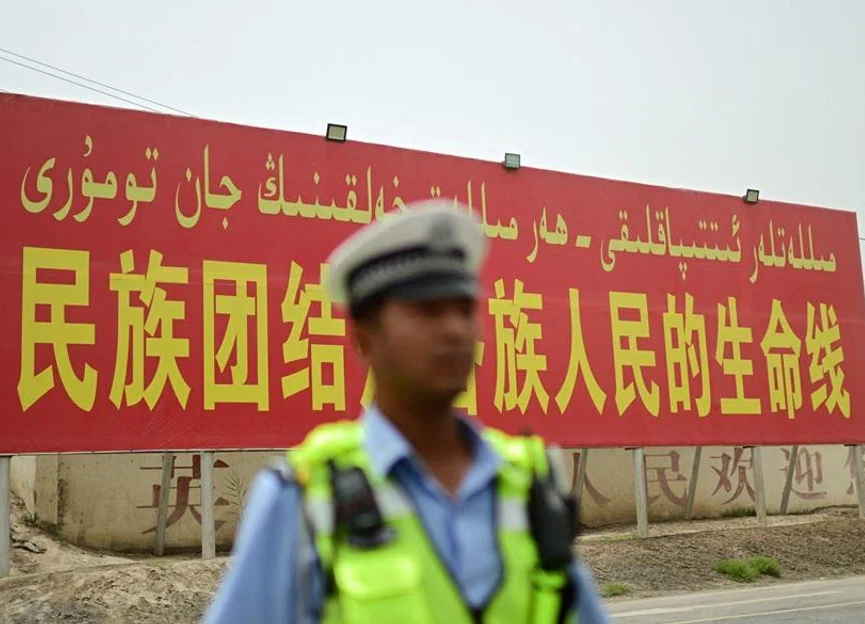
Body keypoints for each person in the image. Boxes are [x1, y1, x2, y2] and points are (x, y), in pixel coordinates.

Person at [204, 198, 612, 623]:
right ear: (364, 338)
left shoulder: (527, 486)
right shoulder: (304, 498)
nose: (454, 329)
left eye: (463, 309)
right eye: (427, 311)